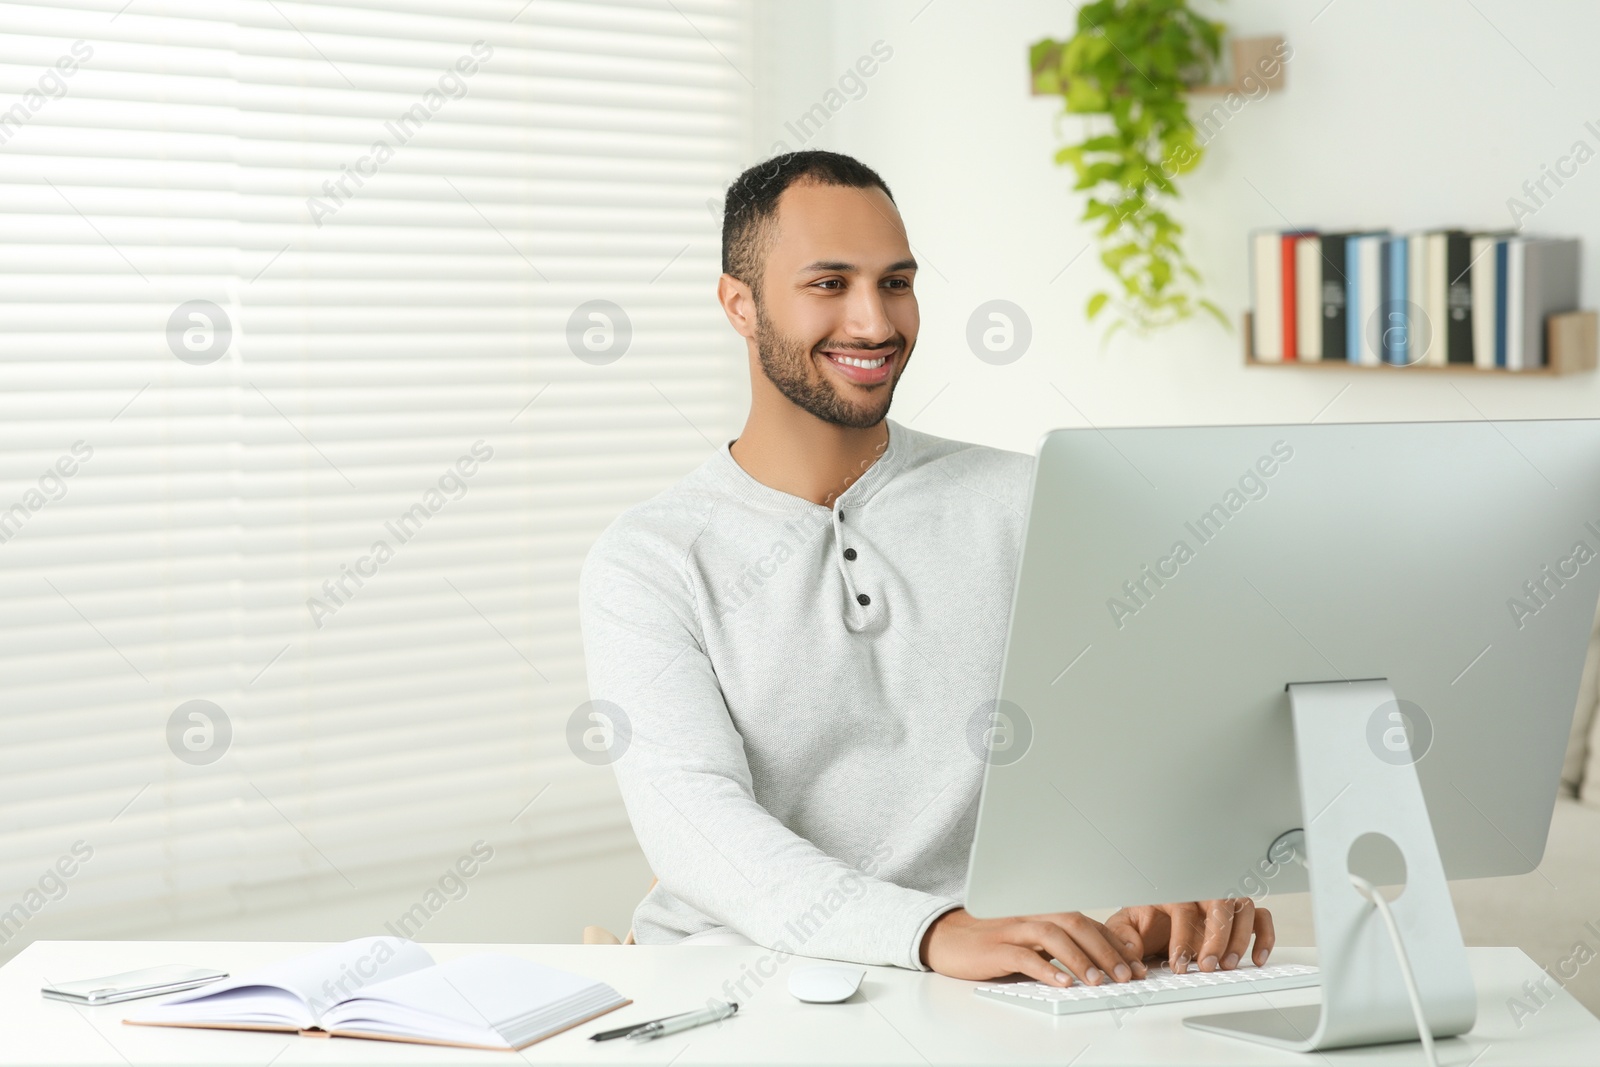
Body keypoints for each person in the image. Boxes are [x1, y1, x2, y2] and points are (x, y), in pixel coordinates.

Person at [577, 149, 1274, 989]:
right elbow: (695, 823)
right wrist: (932, 929)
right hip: (745, 974)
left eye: (896, 283)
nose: (874, 323)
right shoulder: (650, 557)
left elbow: (1142, 739)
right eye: (828, 284)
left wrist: (1178, 876)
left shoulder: (1028, 499)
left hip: (1004, 973)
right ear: (740, 305)